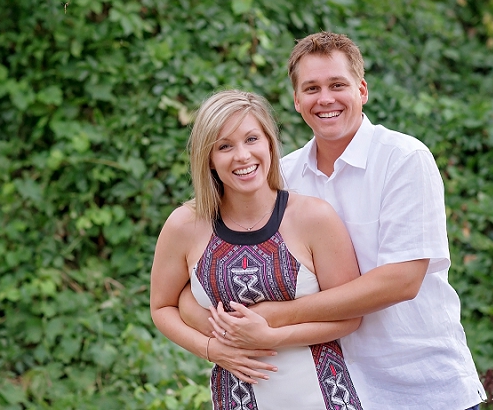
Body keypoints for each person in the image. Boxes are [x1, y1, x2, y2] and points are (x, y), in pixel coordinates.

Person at [182, 32, 487, 410]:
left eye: (337, 85)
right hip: (331, 391)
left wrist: (275, 318)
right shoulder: (284, 174)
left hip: (420, 385)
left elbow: (403, 279)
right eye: (311, 88)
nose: (325, 99)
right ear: (296, 101)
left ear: (362, 90)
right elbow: (200, 270)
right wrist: (219, 336)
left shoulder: (404, 159)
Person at [149, 89, 366, 410]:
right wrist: (212, 349)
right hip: (234, 399)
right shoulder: (185, 225)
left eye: (252, 139)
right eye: (224, 146)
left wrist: (273, 337)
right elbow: (162, 307)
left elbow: (350, 318)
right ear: (208, 158)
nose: (242, 156)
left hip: (324, 398)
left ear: (269, 143)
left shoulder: (314, 218)